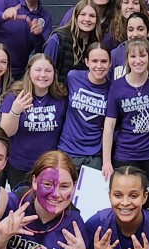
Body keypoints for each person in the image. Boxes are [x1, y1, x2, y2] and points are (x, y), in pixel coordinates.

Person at [102, 39, 149, 191]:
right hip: (126, 153)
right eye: (133, 57)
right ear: (127, 59)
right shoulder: (117, 86)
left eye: (142, 56)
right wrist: (106, 161)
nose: (138, 61)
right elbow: (109, 126)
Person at [0, 53, 68, 190]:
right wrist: (15, 111)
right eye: (38, 70)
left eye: (48, 71)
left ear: (54, 74)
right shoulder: (15, 95)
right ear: (29, 72)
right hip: (19, 166)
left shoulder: (60, 97)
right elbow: (5, 132)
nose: (43, 75)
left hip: (48, 165)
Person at [59, 43, 112, 172]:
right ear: (86, 62)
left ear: (110, 64)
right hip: (67, 149)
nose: (99, 66)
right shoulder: (73, 77)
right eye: (94, 61)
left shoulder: (112, 88)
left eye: (104, 61)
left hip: (94, 155)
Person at [0, 0, 53, 79]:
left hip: (15, 75)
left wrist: (38, 36)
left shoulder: (45, 18)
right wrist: (2, 16)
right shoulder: (6, 2)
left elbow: (42, 53)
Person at [43, 0, 100, 75]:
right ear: (75, 16)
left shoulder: (95, 44)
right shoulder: (58, 39)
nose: (87, 19)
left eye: (92, 16)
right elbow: (45, 71)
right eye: (83, 14)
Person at [108, 12, 149, 79]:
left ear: (148, 32)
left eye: (140, 29)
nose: (135, 34)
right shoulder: (114, 55)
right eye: (130, 30)